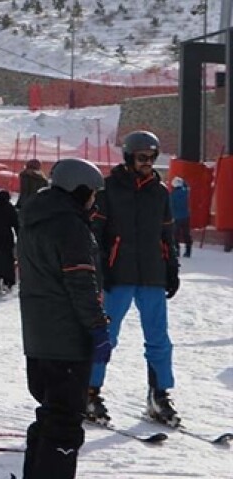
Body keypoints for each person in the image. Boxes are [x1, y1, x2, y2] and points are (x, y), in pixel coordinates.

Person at [18, 159, 112, 479]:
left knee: (49, 416)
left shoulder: (36, 217)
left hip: (38, 339)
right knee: (64, 424)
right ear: (79, 190)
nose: (94, 201)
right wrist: (98, 329)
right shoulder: (70, 226)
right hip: (66, 342)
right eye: (92, 193)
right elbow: (81, 285)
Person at [86, 131, 181, 426]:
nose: (148, 163)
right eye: (142, 157)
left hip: (152, 274)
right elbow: (95, 235)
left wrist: (172, 268)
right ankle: (88, 392)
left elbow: (167, 234)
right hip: (118, 275)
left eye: (153, 158)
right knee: (105, 337)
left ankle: (159, 395)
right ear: (128, 157)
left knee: (158, 339)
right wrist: (101, 271)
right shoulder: (108, 189)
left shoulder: (159, 192)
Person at [170, 178, 191, 258]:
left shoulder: (172, 194)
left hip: (176, 217)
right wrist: (184, 182)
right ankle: (188, 251)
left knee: (175, 235)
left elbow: (171, 206)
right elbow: (187, 186)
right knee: (186, 234)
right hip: (186, 216)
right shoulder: (185, 192)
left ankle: (177, 251)